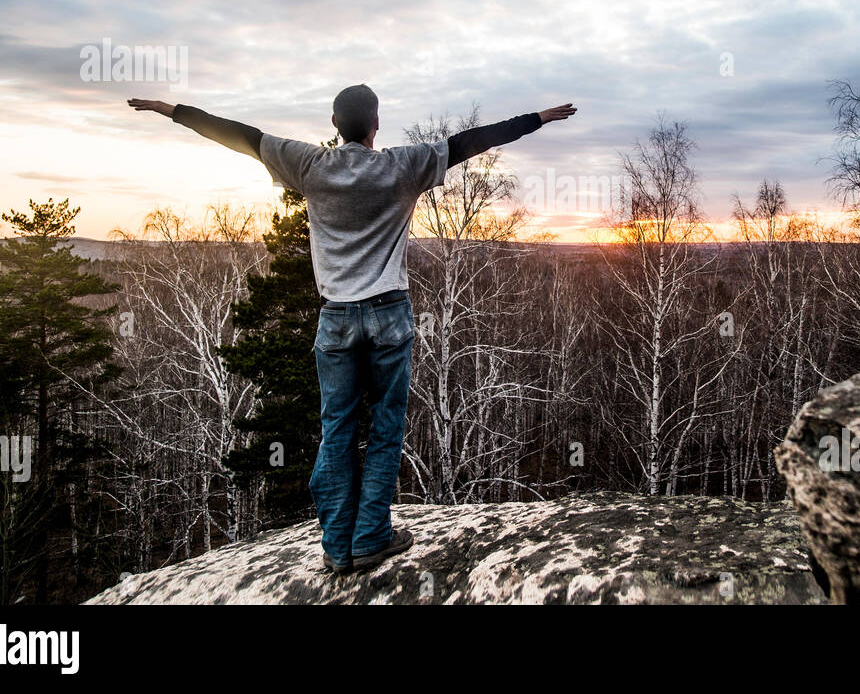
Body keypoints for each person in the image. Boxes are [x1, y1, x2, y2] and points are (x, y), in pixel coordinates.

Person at [127, 88, 577, 572]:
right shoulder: (403, 166)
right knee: (385, 426)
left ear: (335, 123)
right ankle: (371, 539)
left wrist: (173, 111)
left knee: (336, 428)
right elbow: (473, 142)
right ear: (375, 124)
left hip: (337, 317)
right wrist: (536, 118)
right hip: (388, 314)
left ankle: (337, 545)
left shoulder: (310, 165)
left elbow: (239, 136)